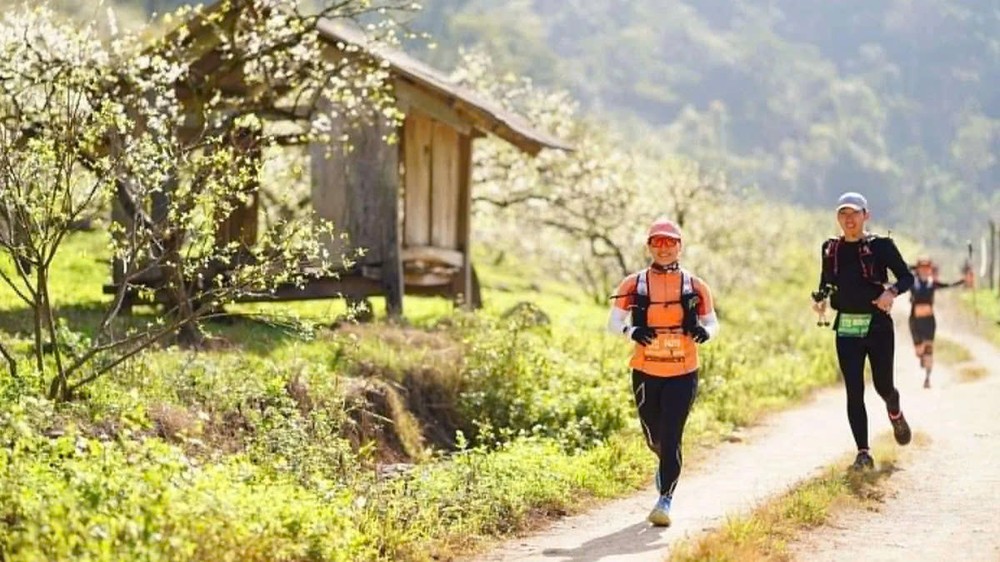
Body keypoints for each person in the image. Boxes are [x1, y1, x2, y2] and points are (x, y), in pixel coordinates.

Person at [607, 218, 719, 527]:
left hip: (684, 372)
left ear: (680, 246)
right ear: (649, 247)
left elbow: (712, 323)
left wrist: (704, 332)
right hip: (645, 371)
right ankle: (664, 464)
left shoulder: (695, 286)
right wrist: (632, 331)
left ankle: (665, 500)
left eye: (671, 242)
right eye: (658, 242)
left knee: (672, 437)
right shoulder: (634, 284)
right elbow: (613, 323)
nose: (664, 248)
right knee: (654, 437)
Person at [811, 192, 914, 471]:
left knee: (883, 386)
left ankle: (895, 410)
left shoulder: (881, 246)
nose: (849, 220)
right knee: (853, 392)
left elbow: (907, 277)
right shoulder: (830, 249)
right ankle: (863, 453)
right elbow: (826, 283)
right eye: (843, 214)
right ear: (838, 218)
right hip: (846, 327)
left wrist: (890, 292)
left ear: (865, 215)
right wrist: (820, 300)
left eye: (854, 214)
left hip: (878, 326)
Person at [909, 258, 964, 388]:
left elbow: (948, 285)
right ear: (918, 270)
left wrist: (963, 280)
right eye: (921, 268)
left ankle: (927, 379)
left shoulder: (932, 283)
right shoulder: (912, 283)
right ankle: (921, 356)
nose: (924, 271)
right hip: (915, 321)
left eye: (926, 268)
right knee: (919, 351)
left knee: (928, 350)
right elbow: (896, 283)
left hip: (928, 321)